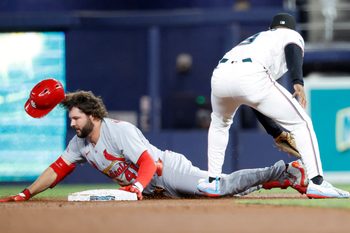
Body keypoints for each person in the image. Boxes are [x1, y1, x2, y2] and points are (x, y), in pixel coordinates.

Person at [0, 82, 308, 201]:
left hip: (167, 171)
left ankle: (285, 171)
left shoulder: (118, 130)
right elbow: (57, 169)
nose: (72, 123)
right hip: (154, 189)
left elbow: (147, 161)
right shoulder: (79, 144)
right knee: (225, 195)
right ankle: (278, 181)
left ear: (92, 116)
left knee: (220, 188)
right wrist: (26, 193)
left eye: (76, 118)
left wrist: (135, 187)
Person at [197, 13, 350, 198]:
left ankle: (213, 182)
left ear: (271, 27)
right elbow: (292, 48)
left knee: (220, 124)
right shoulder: (290, 35)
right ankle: (317, 182)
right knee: (302, 123)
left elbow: (254, 100)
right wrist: (297, 81)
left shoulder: (259, 39)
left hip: (220, 75)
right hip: (251, 73)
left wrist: (275, 131)